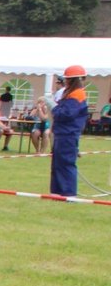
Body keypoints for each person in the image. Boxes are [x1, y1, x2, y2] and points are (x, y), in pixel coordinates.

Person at [50, 64, 89, 196]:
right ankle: (57, 192)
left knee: (65, 164)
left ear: (72, 80)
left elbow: (66, 114)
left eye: (66, 79)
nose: (64, 81)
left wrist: (53, 107)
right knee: (58, 164)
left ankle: (68, 193)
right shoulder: (72, 94)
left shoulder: (77, 95)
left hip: (68, 134)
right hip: (63, 133)